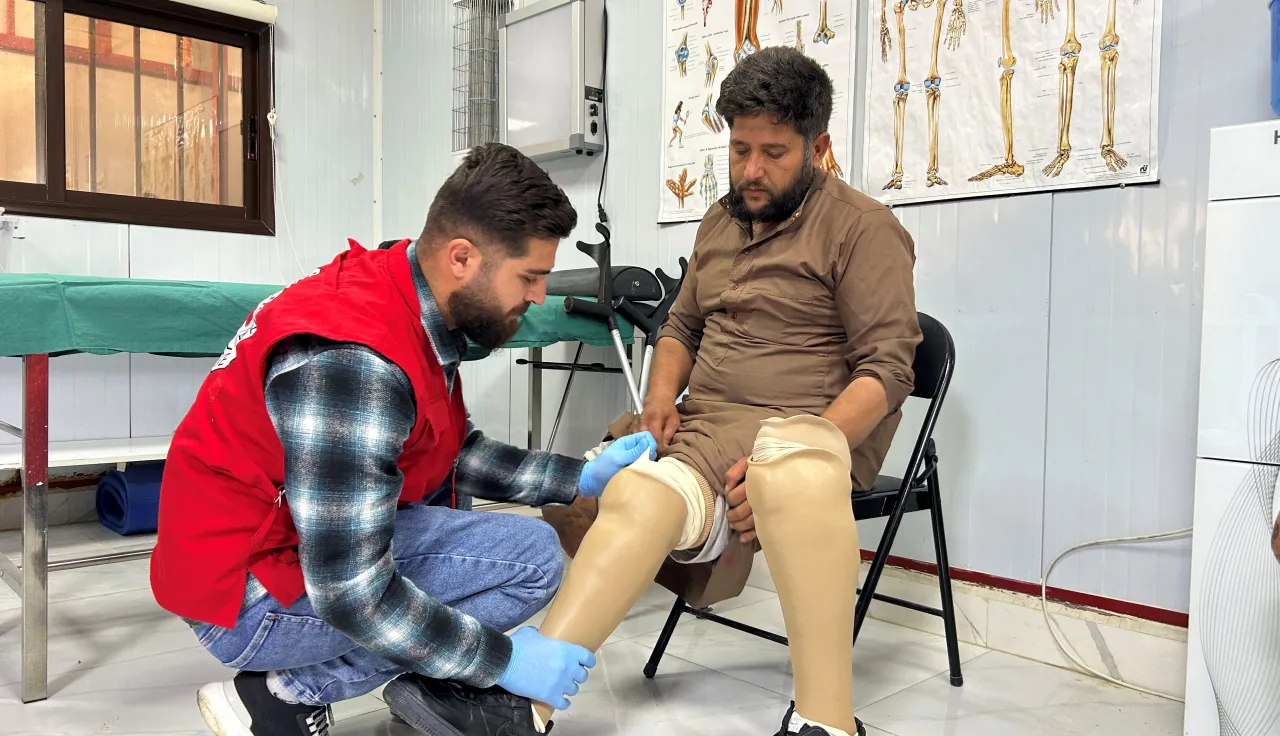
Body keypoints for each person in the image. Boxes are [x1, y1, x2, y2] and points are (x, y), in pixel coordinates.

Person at [392, 46, 922, 736]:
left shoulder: (863, 228)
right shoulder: (720, 222)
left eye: (773, 154)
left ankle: (824, 719)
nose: (751, 171)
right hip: (704, 422)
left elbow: (887, 369)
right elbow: (680, 328)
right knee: (613, 488)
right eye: (739, 150)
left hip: (795, 429)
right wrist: (660, 399)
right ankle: (526, 706)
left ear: (818, 148)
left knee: (693, 484)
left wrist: (809, 449)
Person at [148, 142, 659, 736]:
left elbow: (447, 450)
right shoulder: (353, 362)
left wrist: (577, 477)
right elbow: (350, 592)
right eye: (530, 277)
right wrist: (501, 660)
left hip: (285, 544)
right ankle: (281, 695)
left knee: (528, 552)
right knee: (525, 568)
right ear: (461, 257)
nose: (540, 295)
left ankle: (423, 686)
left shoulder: (405, 293)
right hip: (248, 596)